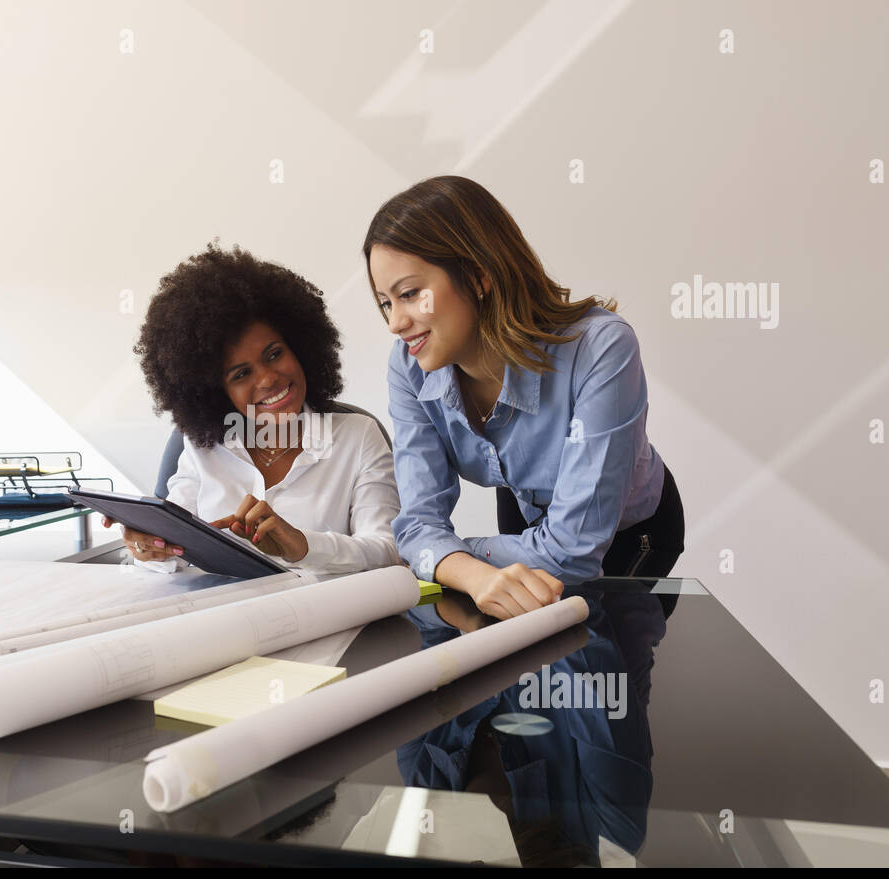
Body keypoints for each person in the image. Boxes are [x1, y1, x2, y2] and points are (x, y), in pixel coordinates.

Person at [363, 175, 684, 620]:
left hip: (632, 531)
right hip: (525, 515)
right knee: (529, 666)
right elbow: (417, 522)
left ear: (478, 275)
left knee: (610, 670)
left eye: (411, 294)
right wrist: (472, 575)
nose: (395, 323)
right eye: (385, 303)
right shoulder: (409, 366)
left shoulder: (602, 348)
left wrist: (449, 555)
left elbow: (572, 551)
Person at [108, 241, 401, 574]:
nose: (268, 379)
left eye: (275, 354)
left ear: (301, 347)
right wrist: (150, 547)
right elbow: (172, 548)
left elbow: (388, 551)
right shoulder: (200, 446)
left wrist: (301, 545)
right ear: (217, 391)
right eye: (241, 374)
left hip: (325, 619)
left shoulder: (358, 438)